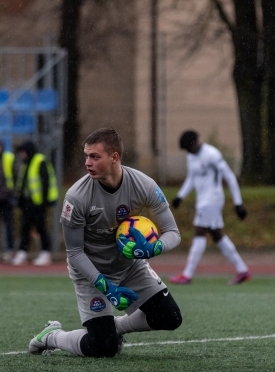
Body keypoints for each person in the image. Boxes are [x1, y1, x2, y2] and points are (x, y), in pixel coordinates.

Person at [28, 128, 182, 358]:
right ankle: (52, 336)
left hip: (130, 266)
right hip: (91, 271)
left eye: (94, 156)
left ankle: (115, 327)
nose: (87, 162)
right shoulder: (76, 197)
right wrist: (105, 286)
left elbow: (172, 232)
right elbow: (75, 253)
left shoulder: (145, 185)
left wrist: (155, 247)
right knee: (103, 347)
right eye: (86, 156)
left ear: (115, 157)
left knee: (170, 318)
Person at [169, 130, 251, 285]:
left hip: (212, 199)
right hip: (203, 200)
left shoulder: (212, 155)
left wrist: (238, 203)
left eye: (188, 148)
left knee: (200, 231)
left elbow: (230, 177)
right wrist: (180, 196)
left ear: (194, 143)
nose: (188, 152)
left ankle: (187, 274)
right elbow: (192, 177)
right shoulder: (191, 156)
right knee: (216, 234)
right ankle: (243, 270)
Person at [12, 141, 59, 266]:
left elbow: (45, 182)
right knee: (25, 228)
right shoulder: (25, 164)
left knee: (41, 227)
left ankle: (45, 253)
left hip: (38, 202)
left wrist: (44, 201)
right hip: (28, 202)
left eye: (23, 152)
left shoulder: (40, 161)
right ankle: (22, 252)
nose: (22, 154)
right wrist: (20, 199)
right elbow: (22, 183)